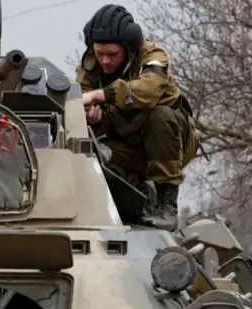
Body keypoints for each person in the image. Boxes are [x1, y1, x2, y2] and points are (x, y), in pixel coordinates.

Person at [75, 4, 199, 231]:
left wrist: (102, 94)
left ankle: (166, 206)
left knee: (160, 116)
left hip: (172, 143)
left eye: (112, 55)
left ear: (128, 48)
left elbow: (148, 90)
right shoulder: (89, 69)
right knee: (92, 153)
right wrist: (95, 120)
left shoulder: (152, 56)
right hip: (128, 146)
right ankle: (140, 200)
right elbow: (85, 113)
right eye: (99, 53)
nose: (105, 61)